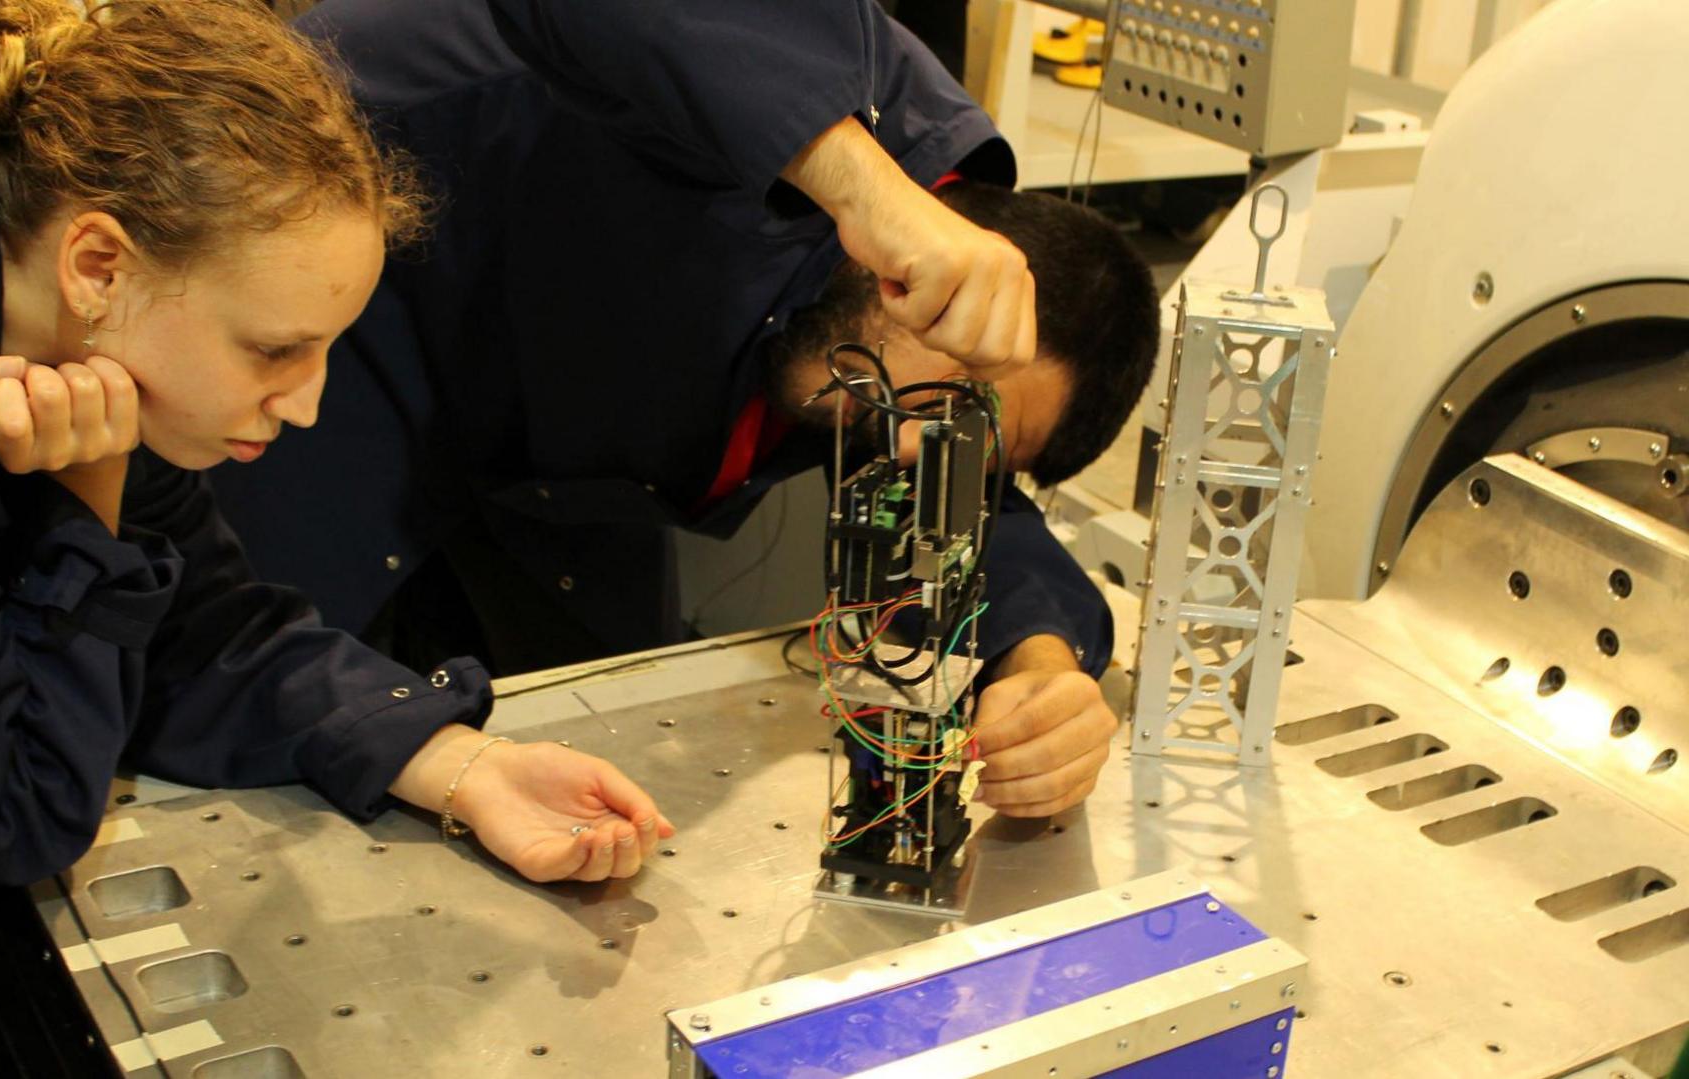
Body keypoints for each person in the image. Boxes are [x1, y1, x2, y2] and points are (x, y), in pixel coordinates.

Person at [0, 0, 673, 888]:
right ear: (99, 266)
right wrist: (88, 492)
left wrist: (460, 762)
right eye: (274, 349)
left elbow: (203, 632)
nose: (305, 406)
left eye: (326, 348)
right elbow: (14, 815)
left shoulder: (90, 319)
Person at [210, 0, 1160, 821]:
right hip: (339, 321)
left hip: (551, 459)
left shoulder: (892, 383)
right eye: (950, 402)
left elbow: (972, 521)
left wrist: (1041, 663)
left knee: (594, 755)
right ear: (950, 247)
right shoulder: (863, 97)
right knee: (250, 717)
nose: (916, 444)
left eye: (967, 447)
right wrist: (859, 184)